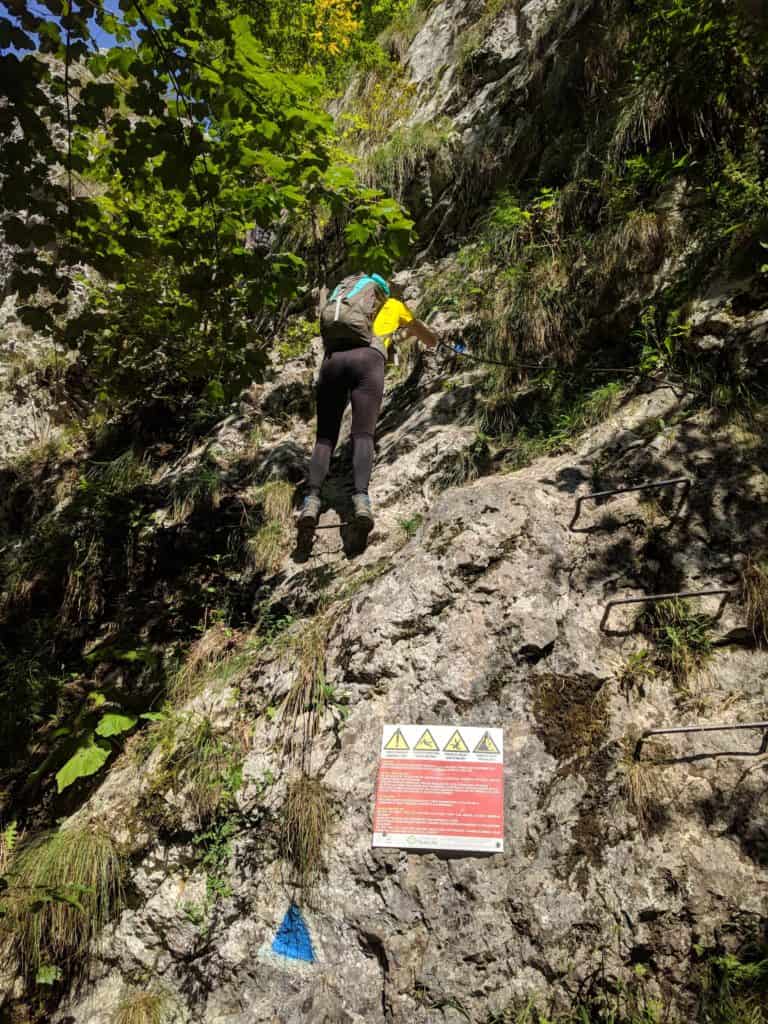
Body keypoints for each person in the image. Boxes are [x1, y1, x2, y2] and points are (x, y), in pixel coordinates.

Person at [298, 273, 438, 535]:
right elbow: (424, 335)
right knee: (363, 435)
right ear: (381, 294)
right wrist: (435, 340)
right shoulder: (393, 306)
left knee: (325, 438)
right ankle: (361, 500)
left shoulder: (344, 307)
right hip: (368, 363)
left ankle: (311, 501)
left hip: (333, 363)